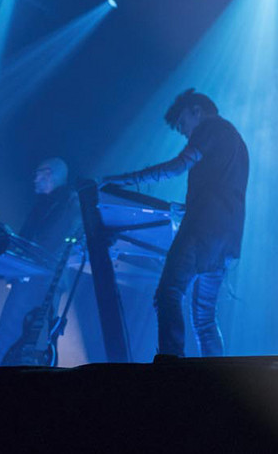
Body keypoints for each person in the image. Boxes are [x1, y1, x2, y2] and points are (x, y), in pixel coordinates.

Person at [100, 89, 247, 359]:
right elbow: (224, 189)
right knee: (204, 319)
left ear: (196, 111)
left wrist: (121, 180)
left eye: (182, 124)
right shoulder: (237, 140)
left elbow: (176, 167)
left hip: (201, 230)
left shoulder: (210, 127)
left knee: (168, 293)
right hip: (227, 239)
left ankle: (171, 365)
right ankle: (217, 376)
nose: (184, 133)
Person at [0, 157, 81, 365]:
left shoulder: (68, 203)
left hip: (39, 281)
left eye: (38, 173)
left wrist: (18, 254)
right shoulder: (47, 204)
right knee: (16, 338)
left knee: (13, 337)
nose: (35, 179)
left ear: (49, 174)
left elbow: (48, 243)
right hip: (33, 278)